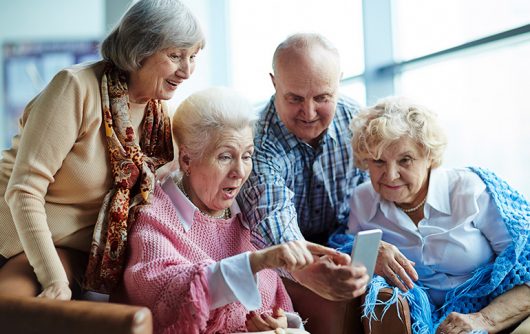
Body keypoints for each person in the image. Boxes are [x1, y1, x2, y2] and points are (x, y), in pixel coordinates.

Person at [0, 0, 205, 300]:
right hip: (16, 239)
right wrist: (55, 282)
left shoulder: (159, 120)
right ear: (139, 50)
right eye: (175, 56)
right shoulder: (75, 89)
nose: (187, 71)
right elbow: (23, 191)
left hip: (76, 254)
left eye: (193, 56)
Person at [122, 87, 339, 333]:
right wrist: (258, 261)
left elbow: (277, 304)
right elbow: (169, 296)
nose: (240, 172)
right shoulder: (155, 216)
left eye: (247, 156)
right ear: (186, 160)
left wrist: (283, 324)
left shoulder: (248, 214)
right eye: (225, 157)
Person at [334, 96, 530, 333]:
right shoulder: (362, 199)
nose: (391, 175)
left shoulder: (470, 190)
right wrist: (368, 251)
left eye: (405, 160)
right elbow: (351, 263)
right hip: (422, 322)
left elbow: (525, 263)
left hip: (495, 313)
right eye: (378, 161)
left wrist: (483, 321)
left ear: (429, 157)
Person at [237, 33, 369, 301]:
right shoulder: (256, 141)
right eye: (295, 98)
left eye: (322, 97)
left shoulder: (358, 122)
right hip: (285, 266)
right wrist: (306, 268)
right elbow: (271, 214)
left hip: (346, 240)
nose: (309, 113)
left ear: (339, 82)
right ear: (275, 84)